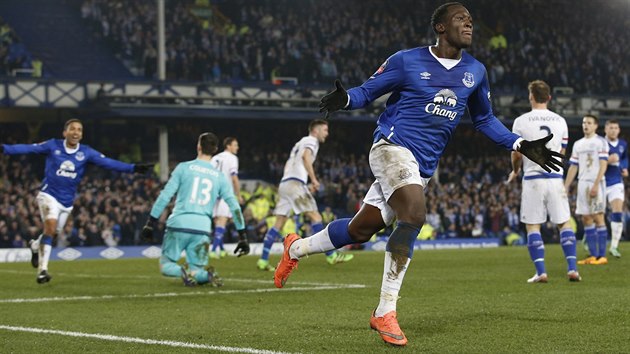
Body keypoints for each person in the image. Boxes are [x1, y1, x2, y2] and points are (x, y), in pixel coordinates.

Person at [273, 2, 563, 347]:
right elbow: (367, 91)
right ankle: (385, 310)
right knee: (414, 214)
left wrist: (519, 143)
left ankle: (296, 248)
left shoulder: (476, 71)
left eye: (471, 20)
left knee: (361, 229)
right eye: (460, 19)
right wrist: (346, 99)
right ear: (440, 27)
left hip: (422, 166)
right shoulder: (406, 60)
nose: (469, 24)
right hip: (391, 148)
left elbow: (484, 119)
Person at [0, 118, 153, 284]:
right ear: (65, 133)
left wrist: (133, 168)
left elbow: (108, 163)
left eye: (79, 130)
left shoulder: (86, 152)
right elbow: (29, 148)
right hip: (48, 195)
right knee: (50, 227)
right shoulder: (53, 145)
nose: (76, 132)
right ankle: (42, 271)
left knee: (52, 233)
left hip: (66, 202)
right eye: (72, 129)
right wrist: (4, 148)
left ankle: (36, 246)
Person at [141, 132, 250, 287]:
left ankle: (182, 271)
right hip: (203, 228)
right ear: (215, 149)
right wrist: (242, 237)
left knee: (166, 265)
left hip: (179, 223)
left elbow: (165, 196)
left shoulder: (183, 168)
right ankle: (206, 275)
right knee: (197, 271)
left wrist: (150, 222)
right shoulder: (219, 177)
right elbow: (234, 206)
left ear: (198, 146)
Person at [507, 80, 581, 283]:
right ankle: (573, 269)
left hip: (533, 179)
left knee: (533, 226)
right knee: (564, 223)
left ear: (531, 96)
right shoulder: (560, 121)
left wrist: (516, 170)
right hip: (555, 179)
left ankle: (541, 272)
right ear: (549, 97)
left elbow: (516, 154)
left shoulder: (521, 121)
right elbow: (562, 152)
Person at [256, 119, 353, 272]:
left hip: (285, 184)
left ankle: (262, 260)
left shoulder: (299, 142)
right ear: (316, 130)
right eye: (325, 130)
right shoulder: (311, 141)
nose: (327, 134)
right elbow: (305, 157)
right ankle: (331, 255)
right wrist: (313, 179)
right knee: (316, 217)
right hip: (295, 184)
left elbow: (293, 163)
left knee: (278, 224)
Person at [564, 115, 609, 265]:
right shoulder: (578, 144)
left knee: (598, 217)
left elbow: (603, 164)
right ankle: (593, 255)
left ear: (596, 126)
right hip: (582, 183)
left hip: (595, 182)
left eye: (589, 123)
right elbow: (573, 166)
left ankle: (602, 256)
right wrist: (566, 185)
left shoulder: (600, 142)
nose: (586, 125)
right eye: (584, 123)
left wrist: (596, 184)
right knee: (585, 218)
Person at [209, 137, 243, 259]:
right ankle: (213, 250)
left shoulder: (215, 157)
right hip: (224, 191)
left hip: (213, 192)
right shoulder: (232, 158)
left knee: (217, 221)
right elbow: (234, 178)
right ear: (228, 146)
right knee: (222, 221)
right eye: (235, 145)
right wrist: (238, 195)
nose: (237, 147)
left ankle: (222, 249)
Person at [603, 119, 627, 258]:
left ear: (619, 130)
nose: (613, 130)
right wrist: (607, 160)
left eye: (616, 128)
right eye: (611, 127)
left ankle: (614, 246)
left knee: (617, 212)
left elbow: (624, 158)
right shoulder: (600, 143)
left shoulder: (623, 144)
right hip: (600, 181)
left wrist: (624, 167)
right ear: (605, 129)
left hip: (615, 182)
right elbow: (592, 161)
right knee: (596, 215)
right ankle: (588, 239)